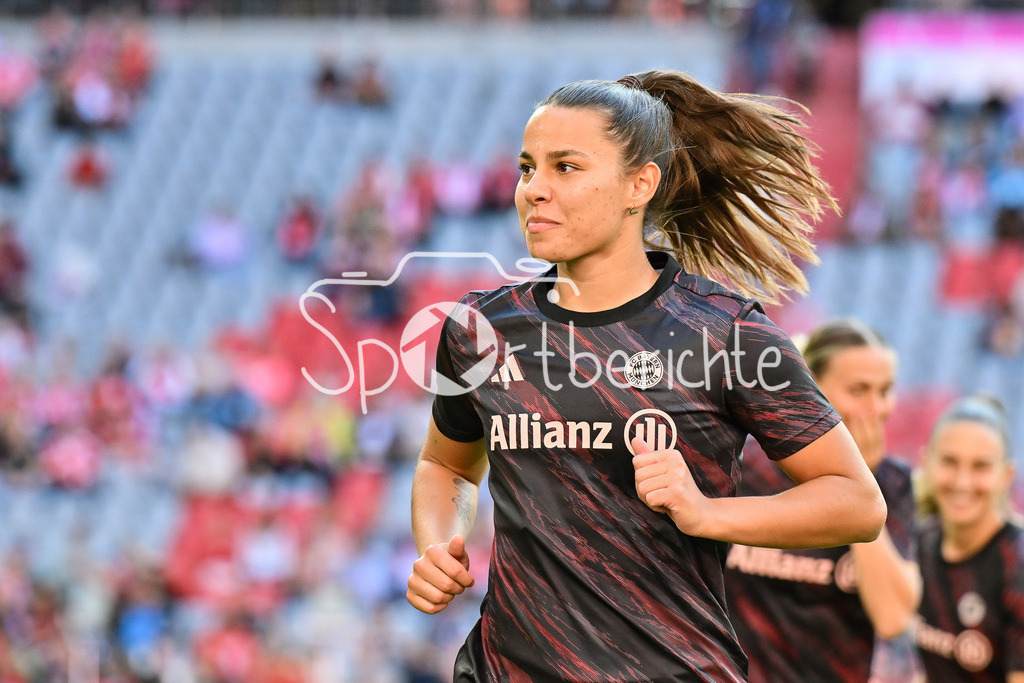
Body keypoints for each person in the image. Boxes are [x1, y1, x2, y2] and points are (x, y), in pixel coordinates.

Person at [406, 70, 887, 681]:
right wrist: (437, 543)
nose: (534, 190)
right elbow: (446, 465)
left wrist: (707, 513)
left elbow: (857, 502)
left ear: (640, 184)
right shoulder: (479, 328)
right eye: (528, 168)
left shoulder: (725, 332)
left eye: (566, 167)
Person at [723, 319, 921, 682]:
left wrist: (861, 485)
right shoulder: (743, 467)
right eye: (859, 390)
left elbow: (893, 617)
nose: (876, 408)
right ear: (810, 383)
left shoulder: (892, 483)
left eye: (886, 390)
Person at [914, 395, 1024, 682]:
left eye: (981, 466)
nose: (963, 482)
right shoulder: (921, 542)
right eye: (950, 461)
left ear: (1006, 475)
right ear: (926, 463)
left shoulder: (1017, 565)